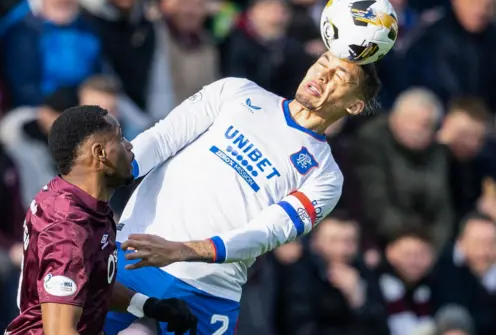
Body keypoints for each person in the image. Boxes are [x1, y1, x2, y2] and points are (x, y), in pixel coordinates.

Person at [104, 51, 382, 334]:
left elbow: (264, 234)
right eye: (323, 63)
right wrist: (102, 180)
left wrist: (182, 250)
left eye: (340, 76)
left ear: (355, 105)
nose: (322, 75)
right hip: (134, 251)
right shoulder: (237, 91)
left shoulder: (326, 176)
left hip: (208, 289)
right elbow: (163, 138)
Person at [6, 106, 197, 335]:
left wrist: (149, 306)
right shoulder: (68, 228)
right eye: (120, 138)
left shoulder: (81, 202)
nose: (129, 145)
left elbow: (90, 283)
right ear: (100, 153)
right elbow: (59, 331)